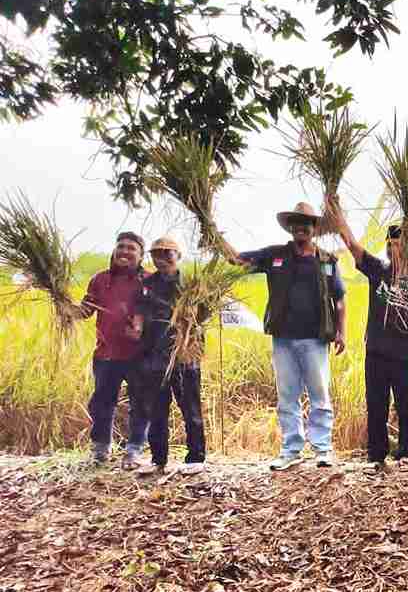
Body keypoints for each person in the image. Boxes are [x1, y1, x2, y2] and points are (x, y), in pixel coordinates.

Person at [221, 202, 347, 470]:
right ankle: (291, 449)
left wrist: (341, 332)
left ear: (314, 229)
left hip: (316, 339)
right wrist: (213, 233)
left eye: (307, 223)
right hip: (283, 339)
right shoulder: (274, 255)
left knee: (319, 394)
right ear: (290, 227)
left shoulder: (326, 261)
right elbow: (237, 261)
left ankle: (323, 449)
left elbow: (340, 300)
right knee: (287, 396)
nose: (301, 227)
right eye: (296, 222)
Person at [327, 198, 408, 469]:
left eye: (398, 244)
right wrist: (337, 215)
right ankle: (376, 455)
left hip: (404, 356)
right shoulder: (378, 270)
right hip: (375, 352)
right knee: (376, 404)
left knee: (406, 405)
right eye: (390, 244)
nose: (392, 248)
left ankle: (406, 452)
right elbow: (352, 244)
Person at [129, 236, 207, 476]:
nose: (161, 259)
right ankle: (158, 459)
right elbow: (139, 311)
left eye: (167, 254)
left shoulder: (193, 284)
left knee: (190, 408)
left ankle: (196, 458)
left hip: (184, 355)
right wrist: (137, 327)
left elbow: (205, 314)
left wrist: (191, 326)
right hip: (153, 354)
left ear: (178, 256)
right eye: (156, 255)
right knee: (157, 410)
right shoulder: (147, 284)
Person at [81, 231, 148, 468]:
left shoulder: (148, 281)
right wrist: (64, 307)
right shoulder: (100, 279)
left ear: (140, 256)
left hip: (139, 355)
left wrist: (142, 329)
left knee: (140, 404)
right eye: (121, 246)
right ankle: (100, 451)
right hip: (106, 354)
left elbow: (161, 317)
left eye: (131, 248)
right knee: (102, 402)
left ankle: (134, 450)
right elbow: (85, 311)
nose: (125, 251)